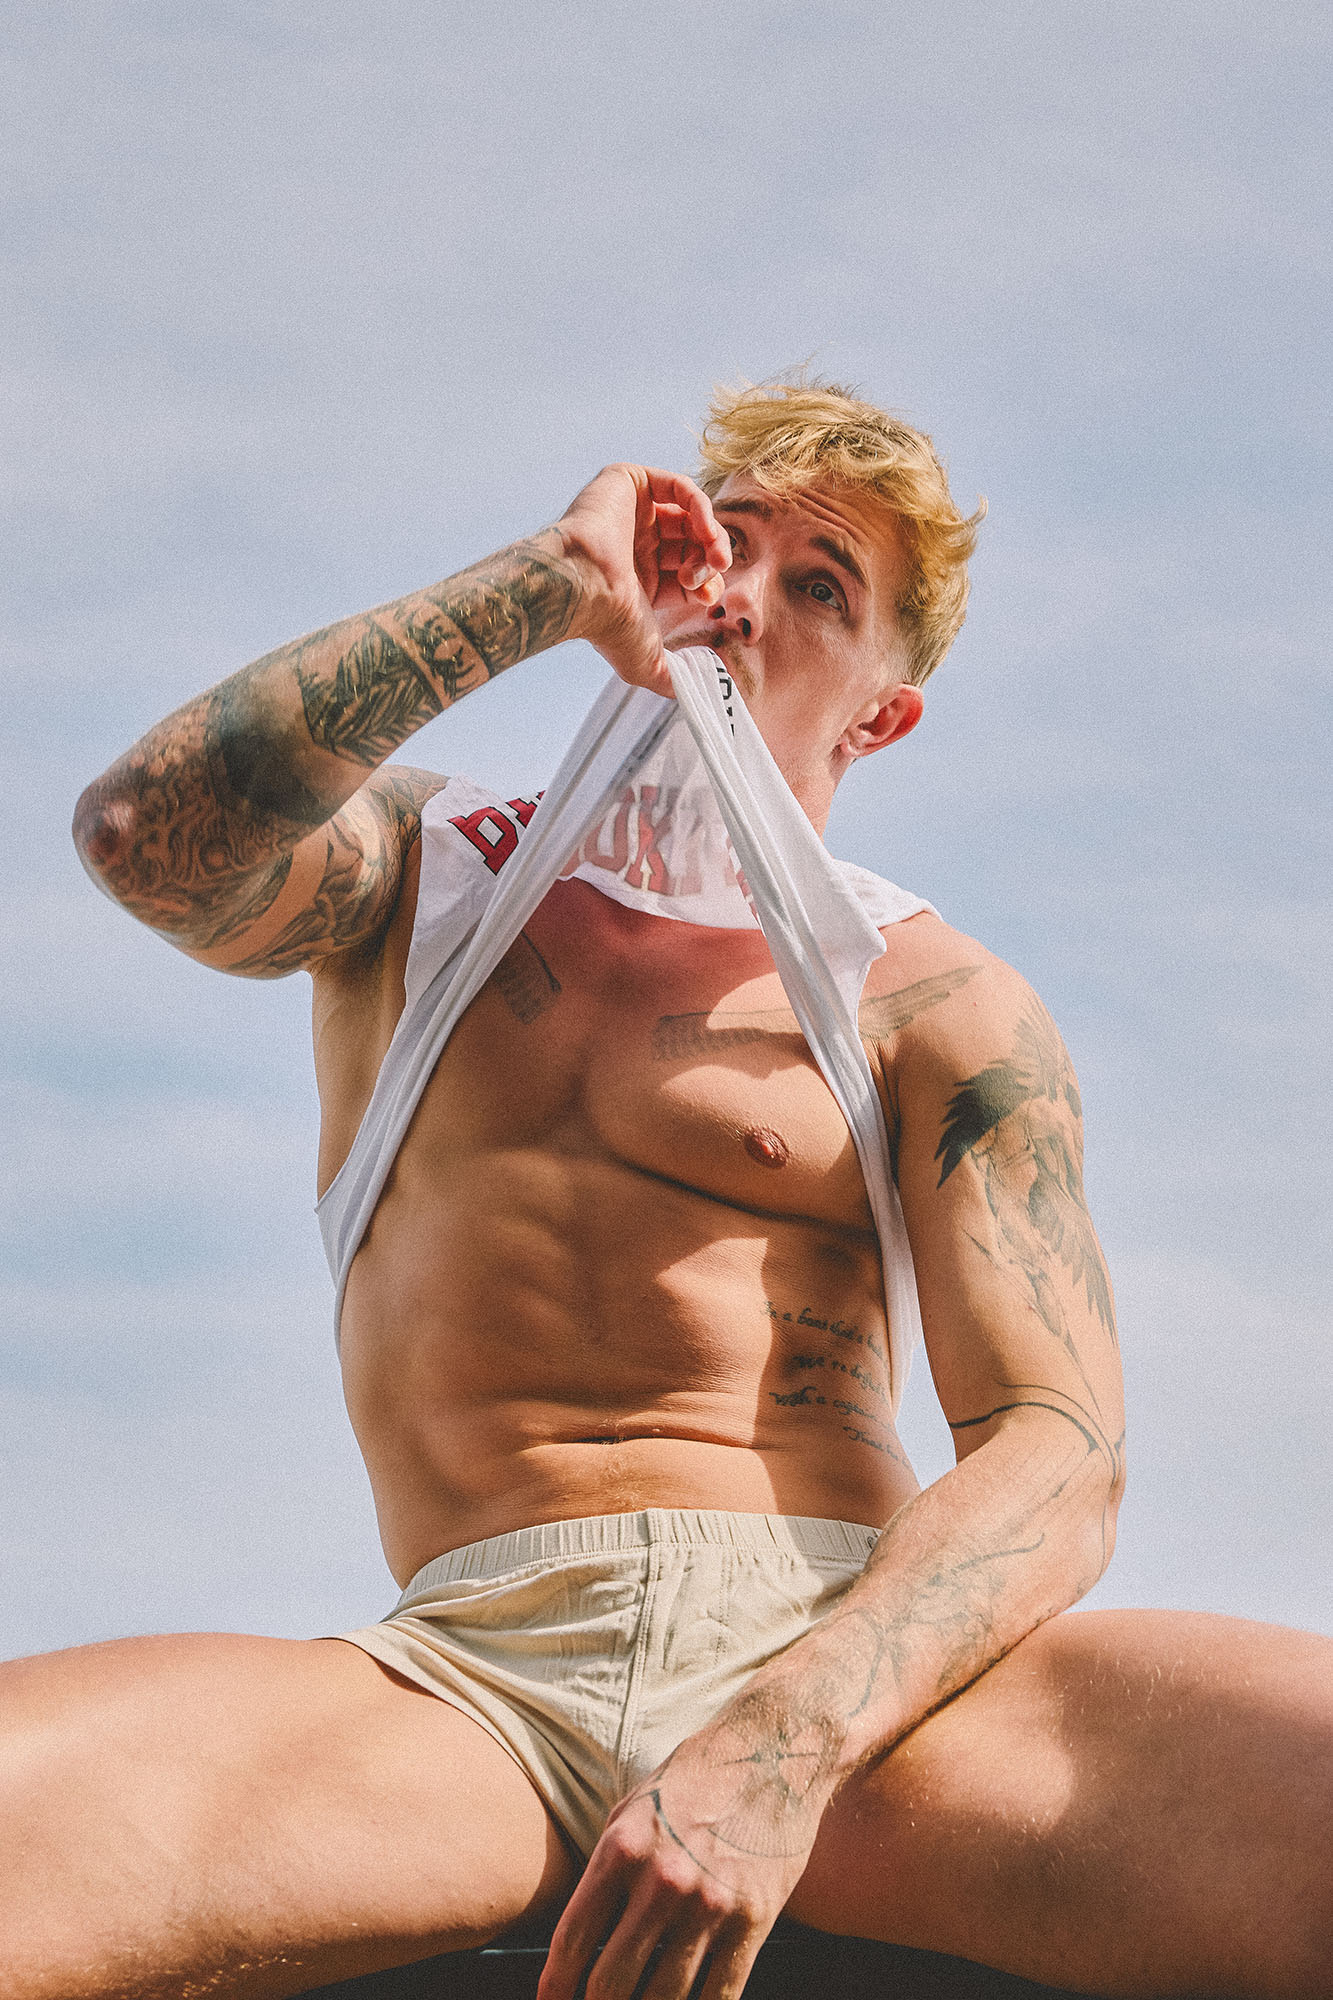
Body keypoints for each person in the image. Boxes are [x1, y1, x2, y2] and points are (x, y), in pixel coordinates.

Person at [15, 378, 1326, 2000]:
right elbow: (146, 835)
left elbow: (1056, 1451)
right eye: (724, 542)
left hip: (853, 1669)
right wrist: (550, 583)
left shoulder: (931, 999)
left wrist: (784, 1742)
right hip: (473, 1675)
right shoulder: (424, 880)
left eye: (819, 587)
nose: (744, 596)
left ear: (878, 715)